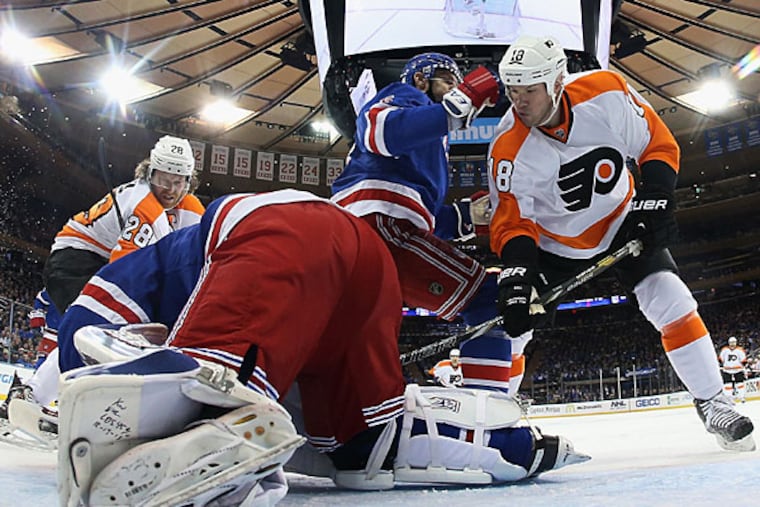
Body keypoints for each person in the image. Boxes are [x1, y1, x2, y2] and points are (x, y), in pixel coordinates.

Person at [54, 189, 588, 506]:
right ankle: (520, 448)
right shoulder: (180, 261)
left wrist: (95, 397)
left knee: (216, 393)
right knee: (364, 449)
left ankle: (219, 448)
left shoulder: (126, 275)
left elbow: (82, 332)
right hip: (362, 265)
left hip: (288, 232)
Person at [487, 34, 755, 451]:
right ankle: (495, 425)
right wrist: (518, 272)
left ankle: (714, 403)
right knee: (512, 332)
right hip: (553, 246)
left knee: (672, 298)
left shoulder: (605, 92)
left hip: (619, 222)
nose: (518, 102)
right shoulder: (506, 147)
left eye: (529, 91)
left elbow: (657, 143)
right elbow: (511, 220)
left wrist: (655, 202)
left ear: (557, 81)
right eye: (512, 91)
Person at [331, 52, 517, 392]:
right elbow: (379, 129)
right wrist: (466, 98)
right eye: (448, 81)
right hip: (376, 227)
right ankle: (490, 414)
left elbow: (420, 214)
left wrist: (465, 218)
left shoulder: (430, 138)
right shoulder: (407, 97)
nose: (455, 88)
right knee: (489, 300)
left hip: (370, 229)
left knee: (357, 344)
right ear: (420, 79)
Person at [43, 134, 205, 316]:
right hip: (74, 262)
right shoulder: (145, 206)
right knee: (97, 320)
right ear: (149, 173)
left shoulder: (191, 207)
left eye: (178, 183)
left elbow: (198, 259)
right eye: (163, 181)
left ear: (188, 182)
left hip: (102, 258)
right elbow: (123, 274)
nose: (171, 190)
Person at [718, 336, 748, 403]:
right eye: (731, 342)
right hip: (727, 370)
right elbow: (721, 359)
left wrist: (743, 366)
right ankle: (729, 398)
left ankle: (742, 397)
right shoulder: (724, 350)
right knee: (728, 385)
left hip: (738, 370)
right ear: (729, 343)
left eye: (734, 342)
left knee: (740, 384)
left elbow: (743, 361)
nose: (732, 344)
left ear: (736, 343)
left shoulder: (740, 350)